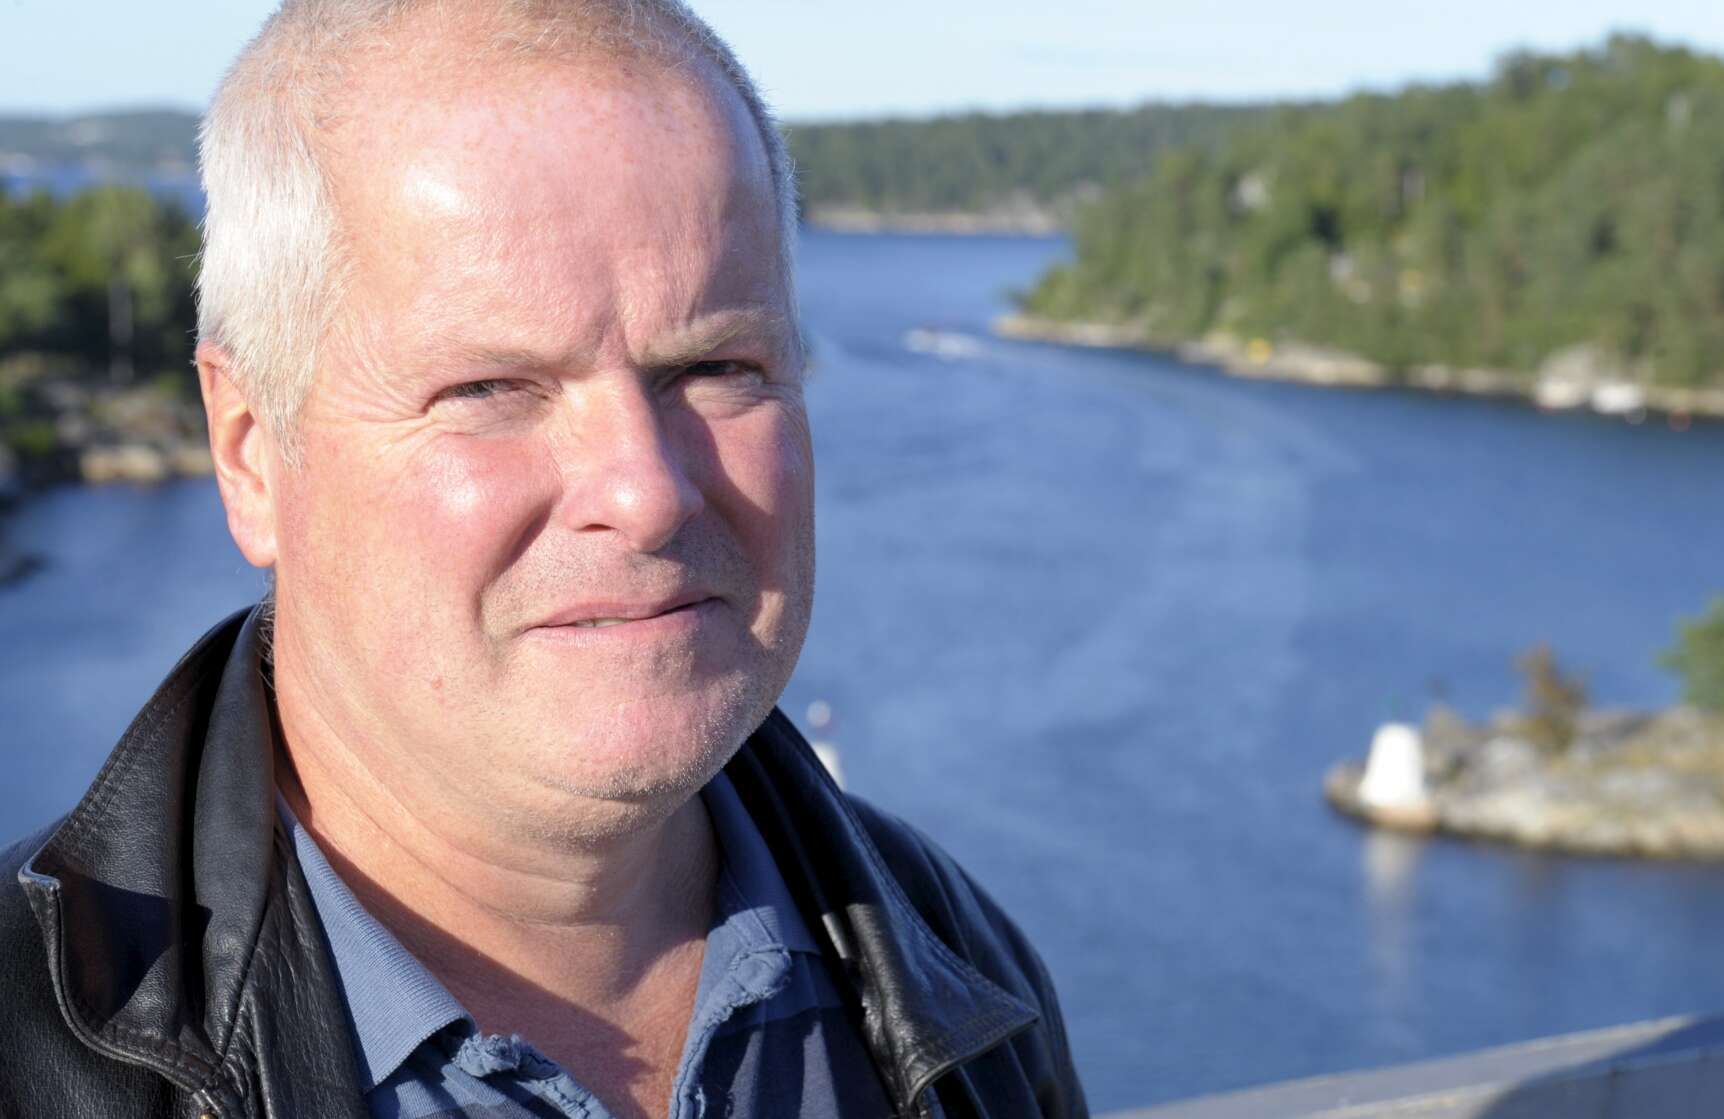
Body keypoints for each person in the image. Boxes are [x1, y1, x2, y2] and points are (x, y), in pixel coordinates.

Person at [0, 2, 1086, 1117]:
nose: (645, 493)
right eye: (489, 388)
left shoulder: (961, 967)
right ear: (249, 452)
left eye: (717, 366)